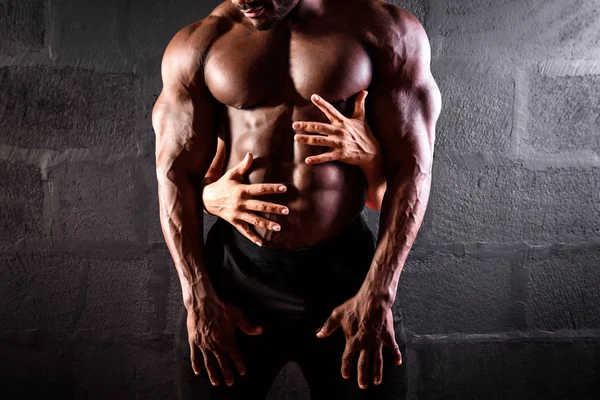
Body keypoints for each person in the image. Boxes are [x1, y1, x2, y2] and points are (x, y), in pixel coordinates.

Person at [151, 0, 441, 399]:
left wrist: (380, 291)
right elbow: (173, 173)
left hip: (348, 277)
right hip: (235, 276)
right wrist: (197, 297)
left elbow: (414, 168)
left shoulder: (384, 32)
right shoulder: (202, 43)